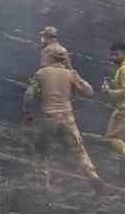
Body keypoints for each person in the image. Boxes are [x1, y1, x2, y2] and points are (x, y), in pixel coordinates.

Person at [22, 46, 100, 182]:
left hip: (49, 118)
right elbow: (89, 92)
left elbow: (29, 94)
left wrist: (27, 113)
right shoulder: (70, 74)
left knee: (43, 151)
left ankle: (43, 183)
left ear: (51, 58)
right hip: (67, 118)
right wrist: (77, 75)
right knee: (79, 150)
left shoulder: (41, 73)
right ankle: (93, 176)